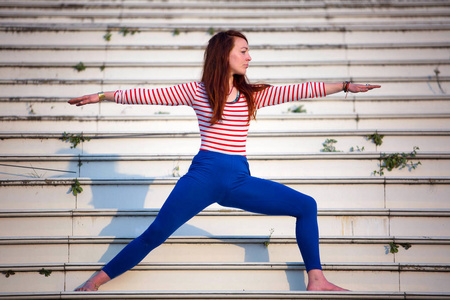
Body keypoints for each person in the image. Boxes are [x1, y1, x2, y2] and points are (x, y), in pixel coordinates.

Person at [69, 30, 380, 292]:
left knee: (306, 205)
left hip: (237, 180)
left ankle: (317, 278)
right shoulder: (197, 91)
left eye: (249, 52)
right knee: (156, 232)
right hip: (202, 177)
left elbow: (297, 90)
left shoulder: (251, 94)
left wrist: (345, 86)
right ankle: (95, 281)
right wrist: (101, 96)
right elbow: (149, 95)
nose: (249, 57)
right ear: (224, 55)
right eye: (243, 51)